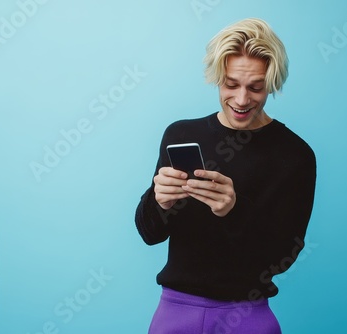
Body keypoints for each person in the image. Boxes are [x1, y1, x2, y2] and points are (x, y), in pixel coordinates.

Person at [135, 17, 316, 334]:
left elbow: (283, 257)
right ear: (217, 78)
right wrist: (158, 201)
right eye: (231, 84)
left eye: (255, 87)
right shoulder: (180, 134)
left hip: (247, 316)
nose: (242, 100)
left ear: (271, 83)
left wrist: (234, 211)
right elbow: (150, 234)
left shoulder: (295, 155)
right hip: (176, 311)